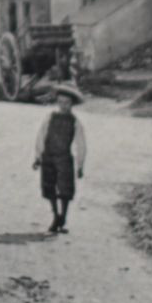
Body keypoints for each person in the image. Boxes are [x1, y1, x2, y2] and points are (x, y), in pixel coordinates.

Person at [33, 84, 88, 234]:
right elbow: (41, 136)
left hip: (64, 158)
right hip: (48, 156)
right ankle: (55, 215)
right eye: (61, 102)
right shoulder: (50, 117)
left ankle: (63, 216)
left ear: (72, 104)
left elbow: (80, 144)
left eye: (67, 103)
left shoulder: (75, 122)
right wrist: (38, 156)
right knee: (49, 187)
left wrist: (80, 165)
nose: (63, 106)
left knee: (65, 189)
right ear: (57, 102)